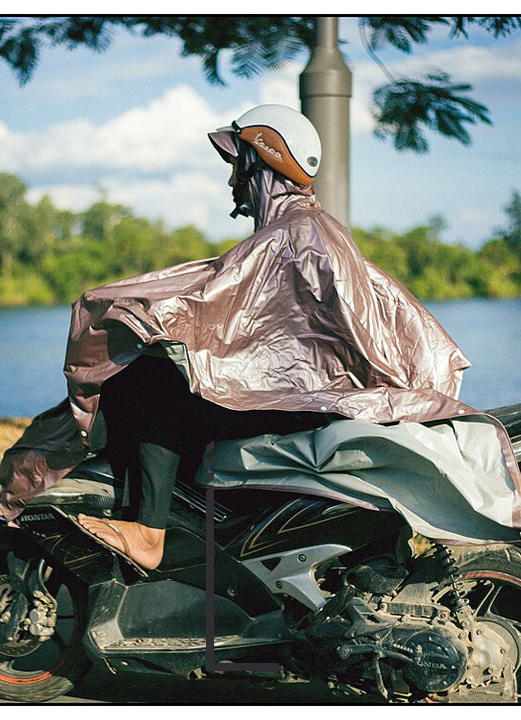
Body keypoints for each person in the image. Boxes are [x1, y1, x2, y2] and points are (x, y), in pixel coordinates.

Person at [76, 105, 340, 569]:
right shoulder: (310, 227)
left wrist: (146, 313)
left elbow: (213, 302)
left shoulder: (286, 235)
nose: (232, 180)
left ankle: (148, 533)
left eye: (237, 165)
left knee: (149, 384)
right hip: (310, 399)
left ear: (263, 162)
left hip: (295, 406)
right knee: (171, 379)